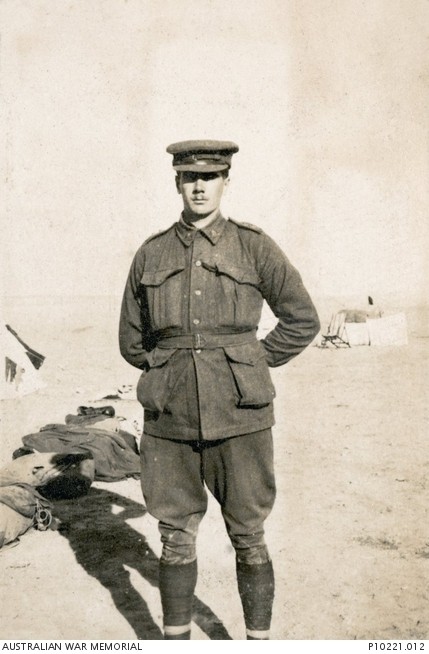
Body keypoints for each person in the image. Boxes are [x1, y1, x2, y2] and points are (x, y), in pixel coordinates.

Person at [119, 140, 320, 640]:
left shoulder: (253, 246)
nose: (199, 186)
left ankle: (257, 644)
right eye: (190, 178)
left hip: (241, 416)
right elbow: (130, 338)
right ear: (177, 183)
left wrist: (248, 364)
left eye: (210, 177)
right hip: (171, 421)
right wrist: (168, 371)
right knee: (174, 540)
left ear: (226, 181)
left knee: (249, 537)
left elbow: (301, 319)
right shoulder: (152, 252)